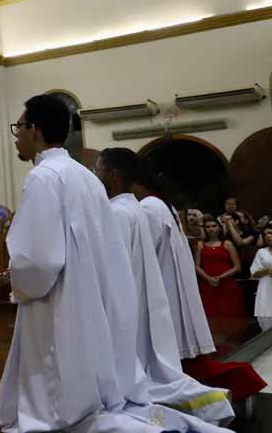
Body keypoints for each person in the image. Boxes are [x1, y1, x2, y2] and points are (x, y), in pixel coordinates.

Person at [0, 94, 150, 432]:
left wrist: (15, 278)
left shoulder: (42, 177)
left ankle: (55, 411)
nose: (17, 135)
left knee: (55, 377)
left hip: (56, 296)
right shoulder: (85, 176)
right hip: (88, 290)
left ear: (35, 130)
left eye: (18, 127)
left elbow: (38, 259)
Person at [95, 148, 232, 423]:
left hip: (138, 293)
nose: (94, 177)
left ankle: (208, 405)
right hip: (151, 290)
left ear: (113, 174)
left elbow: (115, 264)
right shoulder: (148, 206)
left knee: (148, 379)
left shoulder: (132, 210)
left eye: (97, 171)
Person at [132, 162, 215, 361]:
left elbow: (141, 251)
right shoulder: (161, 204)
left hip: (160, 281)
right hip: (167, 279)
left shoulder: (148, 207)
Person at [194, 216, 245, 321]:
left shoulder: (227, 244)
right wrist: (209, 278)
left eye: (214, 226)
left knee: (231, 316)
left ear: (219, 228)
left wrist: (220, 277)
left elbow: (237, 267)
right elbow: (197, 267)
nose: (211, 229)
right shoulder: (200, 245)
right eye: (207, 227)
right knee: (211, 316)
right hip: (207, 285)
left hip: (227, 284)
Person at [251, 224, 272, 331]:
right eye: (265, 234)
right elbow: (254, 273)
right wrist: (267, 270)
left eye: (270, 233)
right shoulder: (261, 252)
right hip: (266, 292)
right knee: (268, 326)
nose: (267, 236)